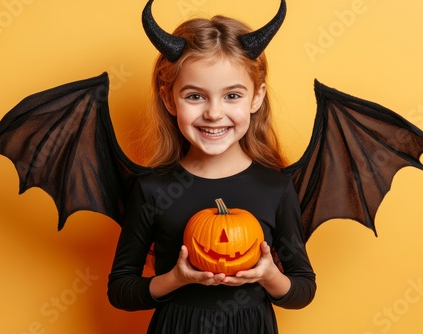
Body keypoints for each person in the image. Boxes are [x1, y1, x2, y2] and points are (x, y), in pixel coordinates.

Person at [107, 1, 316, 333]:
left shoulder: (275, 187)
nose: (214, 113)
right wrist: (174, 279)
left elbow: (303, 289)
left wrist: (267, 275)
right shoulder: (152, 190)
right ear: (168, 98)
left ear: (256, 97)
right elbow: (121, 290)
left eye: (232, 96)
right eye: (195, 96)